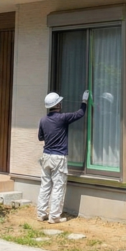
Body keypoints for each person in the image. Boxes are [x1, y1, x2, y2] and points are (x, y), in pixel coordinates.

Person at [37, 90, 88, 223]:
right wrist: (84, 101)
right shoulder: (62, 118)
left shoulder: (43, 120)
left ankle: (41, 214)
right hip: (58, 158)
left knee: (45, 185)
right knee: (58, 187)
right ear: (58, 104)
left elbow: (40, 137)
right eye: (60, 102)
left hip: (46, 156)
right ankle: (54, 217)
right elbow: (80, 113)